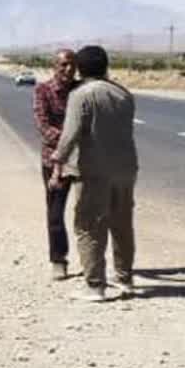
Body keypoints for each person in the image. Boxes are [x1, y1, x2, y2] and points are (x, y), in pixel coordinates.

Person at [51, 46, 139, 302]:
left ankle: (95, 286)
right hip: (126, 170)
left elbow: (70, 135)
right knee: (122, 225)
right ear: (105, 66)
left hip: (94, 172)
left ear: (80, 69)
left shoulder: (81, 95)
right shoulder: (123, 94)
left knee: (88, 226)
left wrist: (57, 162)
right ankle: (125, 279)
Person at [32, 50, 79, 281]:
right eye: (64, 64)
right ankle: (58, 260)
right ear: (55, 66)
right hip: (54, 161)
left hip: (83, 160)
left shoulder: (82, 90)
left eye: (72, 64)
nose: (68, 69)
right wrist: (70, 140)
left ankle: (93, 260)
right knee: (55, 213)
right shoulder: (43, 91)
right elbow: (43, 125)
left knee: (90, 211)